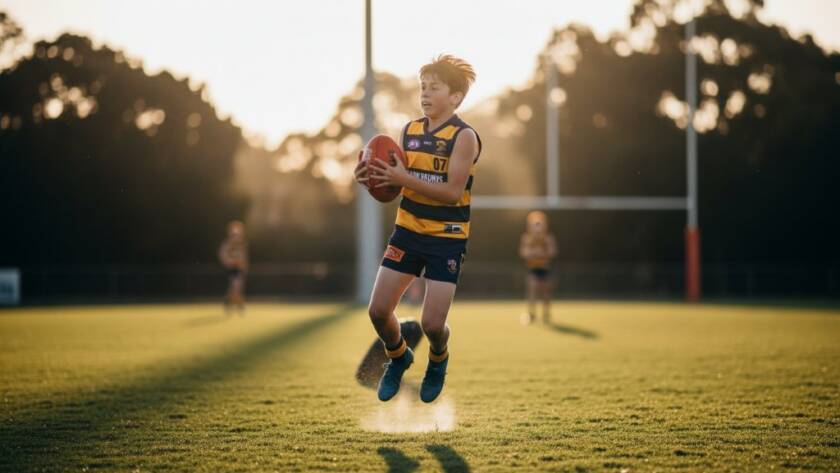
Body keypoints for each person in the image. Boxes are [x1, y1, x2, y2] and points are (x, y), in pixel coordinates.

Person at [354, 54, 481, 403]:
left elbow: (453, 192)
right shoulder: (409, 131)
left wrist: (402, 177)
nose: (425, 93)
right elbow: (394, 187)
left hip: (446, 239)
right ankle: (398, 357)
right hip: (408, 232)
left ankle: (438, 358)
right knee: (378, 311)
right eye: (422, 87)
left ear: (454, 97)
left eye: (434, 88)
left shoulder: (464, 136)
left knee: (432, 325)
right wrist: (371, 177)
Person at [519, 211, 557, 324]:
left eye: (539, 224)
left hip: (545, 268)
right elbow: (524, 253)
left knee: (547, 291)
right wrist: (534, 253)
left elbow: (552, 252)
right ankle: (532, 314)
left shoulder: (548, 238)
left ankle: (546, 313)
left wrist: (541, 253)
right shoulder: (527, 238)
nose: (537, 228)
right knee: (532, 288)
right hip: (533, 269)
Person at [218, 220, 249, 315]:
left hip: (239, 268)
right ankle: (239, 304)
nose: (237, 235)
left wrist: (244, 265)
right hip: (231, 268)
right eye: (235, 233)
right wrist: (229, 262)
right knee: (235, 286)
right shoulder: (227, 244)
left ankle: (229, 302)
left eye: (238, 233)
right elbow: (222, 255)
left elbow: (244, 257)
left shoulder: (242, 244)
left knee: (236, 286)